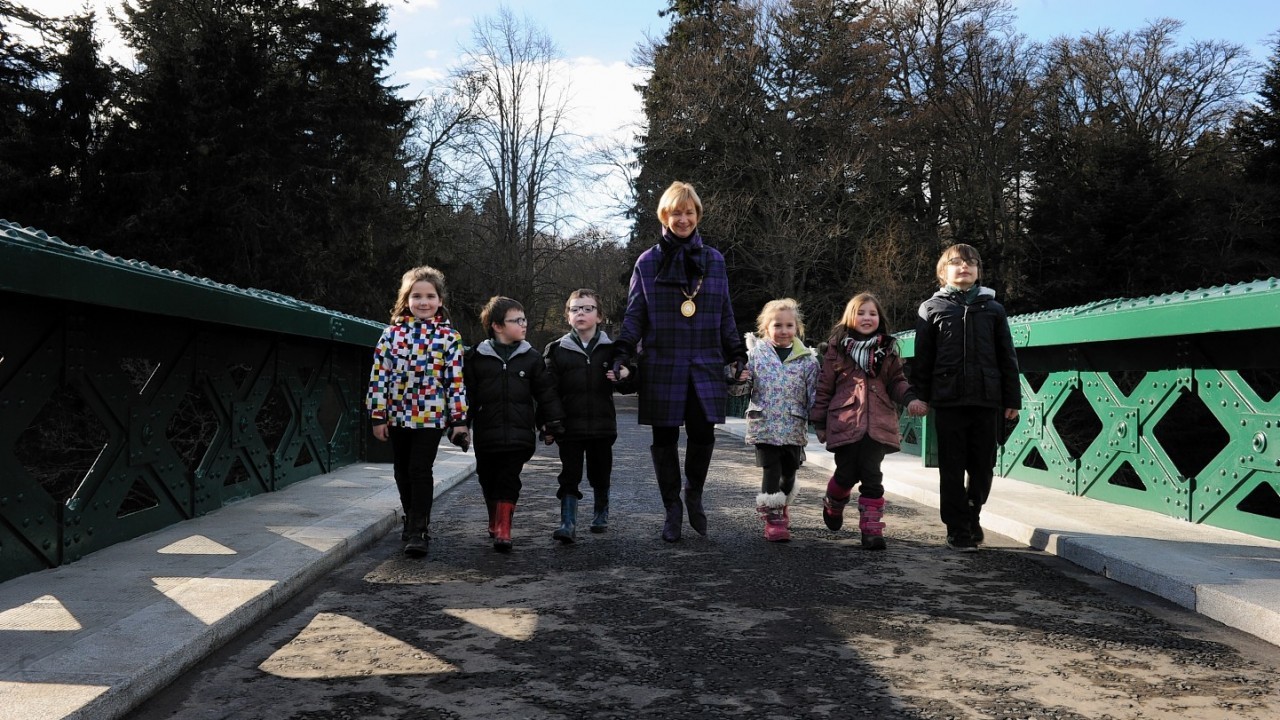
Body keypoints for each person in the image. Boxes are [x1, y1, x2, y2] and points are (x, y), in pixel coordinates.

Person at [614, 180, 748, 542]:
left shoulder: (715, 261)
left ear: (697, 215)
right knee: (665, 437)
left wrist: (737, 354)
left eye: (689, 212)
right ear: (664, 215)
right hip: (663, 362)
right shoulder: (648, 262)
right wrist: (623, 352)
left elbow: (725, 314)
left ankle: (694, 492)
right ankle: (672, 508)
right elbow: (635, 315)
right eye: (676, 212)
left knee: (704, 433)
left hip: (705, 361)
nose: (683, 218)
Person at [911, 244, 1021, 552]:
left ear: (978, 272)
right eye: (956, 263)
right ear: (942, 271)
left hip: (987, 398)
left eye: (971, 263)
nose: (964, 267)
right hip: (948, 400)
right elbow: (923, 358)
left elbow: (1006, 356)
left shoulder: (993, 309)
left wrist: (1012, 398)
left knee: (983, 467)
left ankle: (973, 514)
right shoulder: (931, 308)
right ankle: (957, 529)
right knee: (951, 467)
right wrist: (920, 396)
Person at [366, 265, 470, 559]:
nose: (423, 302)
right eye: (417, 296)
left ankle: (418, 529)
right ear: (406, 299)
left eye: (430, 296)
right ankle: (411, 517)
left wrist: (459, 419)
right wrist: (378, 415)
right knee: (401, 470)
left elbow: (456, 380)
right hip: (397, 413)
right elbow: (379, 376)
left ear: (440, 300)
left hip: (431, 415)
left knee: (419, 469)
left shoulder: (450, 337)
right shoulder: (391, 335)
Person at [810, 292, 928, 550]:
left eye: (872, 313)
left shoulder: (887, 350)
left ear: (880, 319)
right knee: (846, 474)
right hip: (845, 421)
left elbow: (897, 381)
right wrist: (819, 423)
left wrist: (910, 400)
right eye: (861, 313)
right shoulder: (836, 350)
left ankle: (872, 529)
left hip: (877, 423)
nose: (867, 318)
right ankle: (834, 501)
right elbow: (824, 387)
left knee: (872, 476)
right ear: (850, 317)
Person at [464, 296, 565, 552]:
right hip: (487, 433)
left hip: (520, 434)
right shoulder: (477, 357)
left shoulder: (531, 358)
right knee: (487, 477)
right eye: (516, 320)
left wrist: (551, 422)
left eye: (524, 319)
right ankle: (495, 516)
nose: (523, 324)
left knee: (509, 478)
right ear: (497, 326)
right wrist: (460, 424)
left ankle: (504, 528)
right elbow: (468, 393)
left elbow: (545, 393)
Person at [542, 289, 636, 543]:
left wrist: (626, 375)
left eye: (587, 308)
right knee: (569, 474)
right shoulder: (556, 350)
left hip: (602, 425)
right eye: (575, 309)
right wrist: (549, 424)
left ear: (600, 316)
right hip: (569, 427)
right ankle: (567, 522)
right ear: (567, 316)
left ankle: (600, 512)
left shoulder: (612, 350)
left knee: (600, 472)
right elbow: (547, 391)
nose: (580, 313)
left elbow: (631, 383)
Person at [728, 298, 819, 542]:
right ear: (766, 328)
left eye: (789, 325)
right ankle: (773, 517)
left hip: (793, 425)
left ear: (797, 327)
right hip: (765, 424)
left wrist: (821, 422)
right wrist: (738, 379)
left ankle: (782, 503)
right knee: (771, 469)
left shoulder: (808, 360)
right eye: (777, 325)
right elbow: (740, 391)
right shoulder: (756, 355)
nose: (783, 331)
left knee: (789, 473)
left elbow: (814, 395)